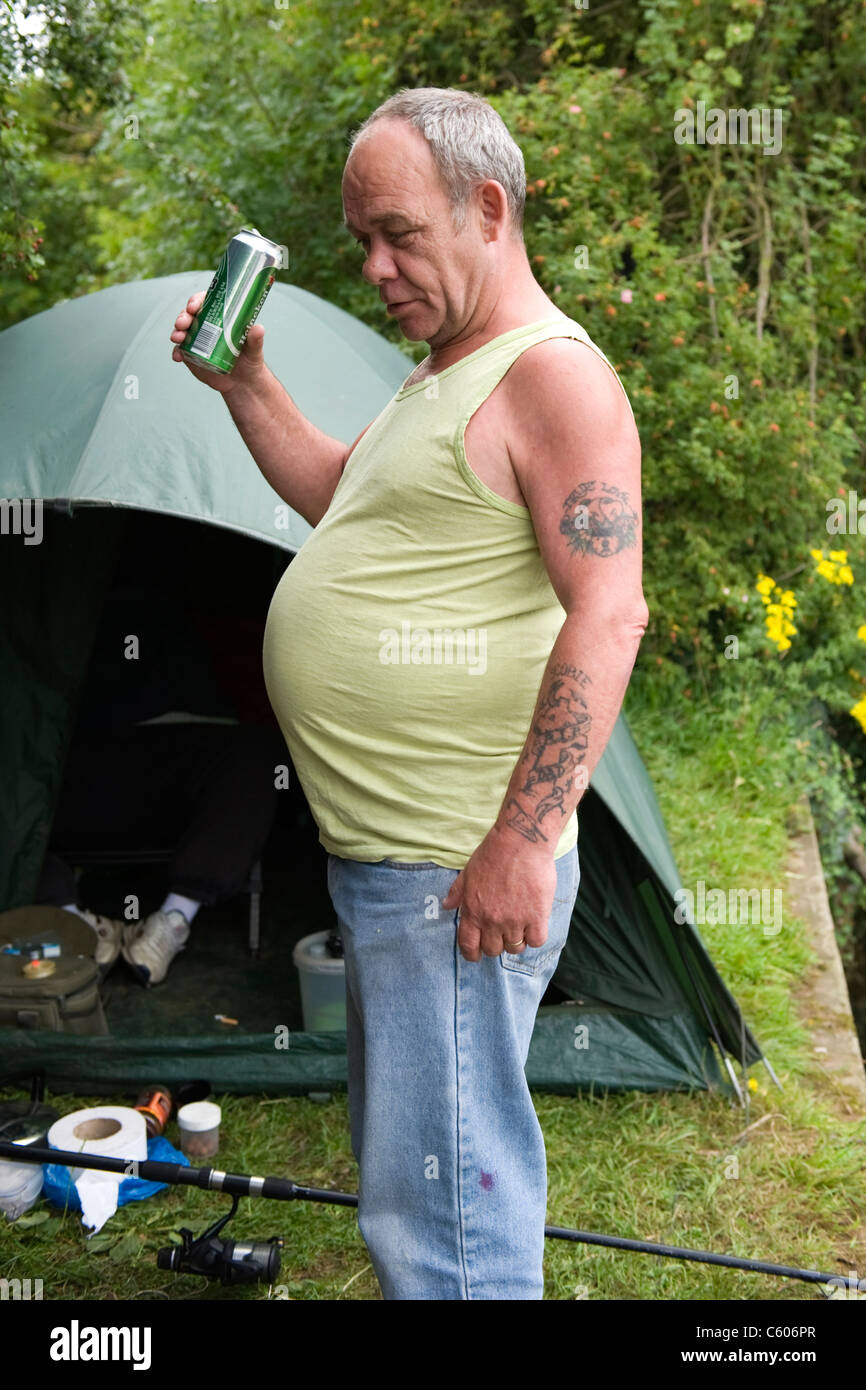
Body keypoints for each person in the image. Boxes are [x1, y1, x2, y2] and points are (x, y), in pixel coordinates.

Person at [170, 86, 648, 1300]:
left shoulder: (553, 380)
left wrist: (521, 842)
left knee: (447, 1220)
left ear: (486, 208)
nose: (375, 268)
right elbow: (344, 504)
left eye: (397, 234)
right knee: (418, 1181)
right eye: (359, 245)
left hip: (457, 869)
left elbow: (608, 612)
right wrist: (246, 388)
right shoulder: (444, 370)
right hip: (400, 866)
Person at [36, 584, 284, 986]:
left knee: (257, 752)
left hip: (170, 765)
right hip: (76, 768)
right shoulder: (47, 618)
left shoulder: (176, 626)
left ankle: (174, 920)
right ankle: (72, 923)